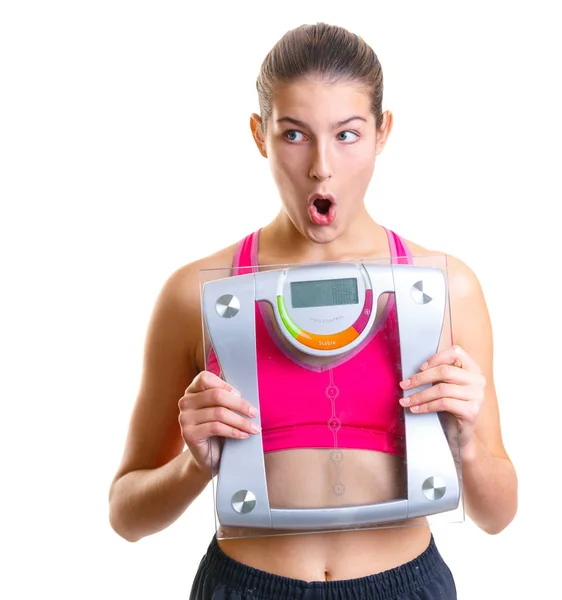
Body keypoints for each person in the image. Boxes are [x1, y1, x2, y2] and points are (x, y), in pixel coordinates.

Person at [108, 22, 518, 600]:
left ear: (383, 132)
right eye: (295, 134)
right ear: (260, 135)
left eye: (347, 135)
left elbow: (499, 514)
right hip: (245, 586)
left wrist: (468, 444)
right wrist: (194, 465)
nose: (322, 166)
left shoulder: (448, 287)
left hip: (405, 584)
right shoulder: (195, 294)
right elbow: (126, 516)